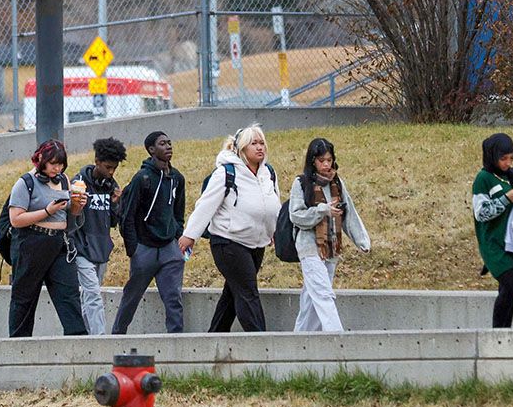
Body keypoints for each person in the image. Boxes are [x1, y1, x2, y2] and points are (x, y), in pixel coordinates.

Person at [179, 124, 279, 333]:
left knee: (233, 293)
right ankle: (262, 342)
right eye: (253, 143)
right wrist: (190, 236)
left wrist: (274, 231)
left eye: (262, 143)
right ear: (241, 149)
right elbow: (205, 206)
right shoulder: (226, 173)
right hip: (228, 242)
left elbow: (272, 205)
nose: (259, 147)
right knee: (247, 292)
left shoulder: (268, 173)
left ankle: (214, 338)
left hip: (256, 243)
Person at [8, 139, 88, 338]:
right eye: (53, 164)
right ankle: (18, 342)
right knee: (25, 298)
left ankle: (77, 338)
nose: (57, 168)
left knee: (69, 295)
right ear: (41, 159)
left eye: (61, 164)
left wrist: (77, 205)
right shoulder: (25, 183)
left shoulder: (64, 180)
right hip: (32, 243)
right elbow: (16, 219)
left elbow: (70, 215)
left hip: (59, 243)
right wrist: (47, 211)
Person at [288, 138, 370, 332]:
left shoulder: (337, 183)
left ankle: (299, 340)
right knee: (323, 293)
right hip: (309, 247)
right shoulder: (301, 183)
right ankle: (337, 338)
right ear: (312, 161)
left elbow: (349, 213)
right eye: (321, 160)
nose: (326, 164)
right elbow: (296, 215)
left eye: (329, 160)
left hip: (331, 247)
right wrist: (322, 210)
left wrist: (362, 240)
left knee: (310, 300)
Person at [114, 131, 186, 335]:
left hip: (169, 249)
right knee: (131, 297)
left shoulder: (177, 178)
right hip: (144, 249)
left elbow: (179, 212)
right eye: (162, 143)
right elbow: (128, 216)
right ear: (151, 150)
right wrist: (133, 249)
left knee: (173, 298)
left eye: (169, 142)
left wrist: (176, 235)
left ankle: (177, 340)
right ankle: (117, 336)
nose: (168, 146)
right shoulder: (142, 178)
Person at [473, 133, 513, 328]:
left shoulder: (512, 175)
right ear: (492, 157)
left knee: (510, 291)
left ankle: (505, 333)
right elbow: (481, 213)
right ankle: (497, 334)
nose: (508, 163)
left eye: (511, 158)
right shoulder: (483, 179)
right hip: (494, 243)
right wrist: (505, 198)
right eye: (503, 159)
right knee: (509, 285)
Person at [71, 137, 126, 336]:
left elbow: (112, 222)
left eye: (114, 168)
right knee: (93, 294)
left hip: (101, 249)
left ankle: (85, 336)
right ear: (97, 161)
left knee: (88, 296)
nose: (111, 172)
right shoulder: (79, 183)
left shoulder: (111, 185)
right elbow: (71, 217)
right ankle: (100, 339)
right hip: (82, 248)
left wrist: (116, 204)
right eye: (108, 167)